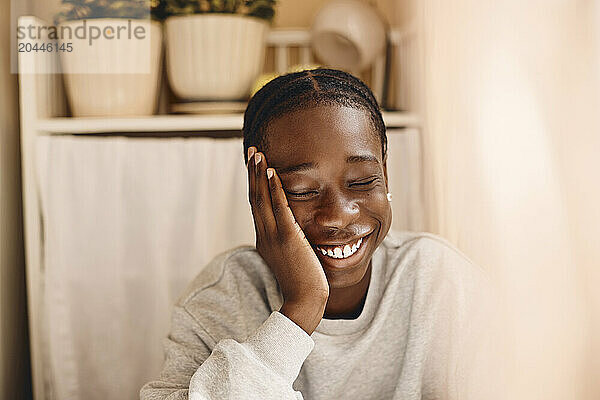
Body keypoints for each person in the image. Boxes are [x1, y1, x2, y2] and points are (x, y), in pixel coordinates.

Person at [140, 68, 493, 400]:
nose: (339, 215)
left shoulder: (440, 281)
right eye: (303, 190)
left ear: (385, 172)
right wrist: (301, 307)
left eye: (361, 182)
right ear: (258, 191)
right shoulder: (219, 300)